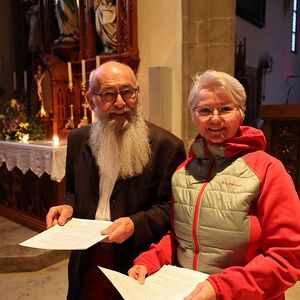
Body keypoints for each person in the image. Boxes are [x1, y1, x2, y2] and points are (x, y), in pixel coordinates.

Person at [128, 70, 300, 300]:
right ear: (194, 116)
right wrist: (150, 260)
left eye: (226, 109)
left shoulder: (268, 170)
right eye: (205, 110)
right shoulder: (184, 171)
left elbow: (288, 257)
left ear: (241, 113)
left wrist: (221, 288)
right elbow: (181, 237)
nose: (215, 118)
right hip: (189, 293)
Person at [46, 61, 186, 299]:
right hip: (86, 257)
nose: (120, 103)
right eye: (109, 94)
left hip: (136, 260)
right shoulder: (79, 139)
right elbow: (73, 191)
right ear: (91, 99)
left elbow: (170, 210)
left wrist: (134, 223)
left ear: (137, 93)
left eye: (128, 92)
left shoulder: (168, 147)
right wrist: (67, 205)